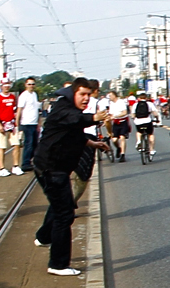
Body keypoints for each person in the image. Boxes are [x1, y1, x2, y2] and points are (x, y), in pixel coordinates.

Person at [32, 78, 111, 276]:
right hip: (52, 169)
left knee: (59, 205)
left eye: (88, 95)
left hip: (54, 168)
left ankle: (43, 237)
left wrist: (92, 144)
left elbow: (74, 134)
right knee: (64, 214)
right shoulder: (63, 108)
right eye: (82, 94)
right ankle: (58, 264)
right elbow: (75, 120)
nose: (86, 98)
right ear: (73, 93)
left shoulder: (70, 109)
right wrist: (94, 117)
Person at [0, 79, 21, 176]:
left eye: (8, 84)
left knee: (16, 145)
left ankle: (16, 166)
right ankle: (1, 168)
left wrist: (16, 122)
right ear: (1, 86)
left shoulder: (12, 97)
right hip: (2, 125)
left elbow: (14, 111)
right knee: (2, 147)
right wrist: (0, 125)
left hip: (12, 124)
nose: (6, 86)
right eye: (4, 85)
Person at [17, 77, 40, 169]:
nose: (31, 86)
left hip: (34, 123)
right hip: (26, 123)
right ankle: (25, 163)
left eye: (33, 84)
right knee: (28, 144)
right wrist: (17, 123)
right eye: (29, 84)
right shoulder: (23, 96)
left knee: (35, 144)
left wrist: (39, 123)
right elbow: (19, 110)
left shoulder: (34, 94)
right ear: (25, 85)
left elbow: (36, 110)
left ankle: (31, 160)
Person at [132, 91, 159, 156]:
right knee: (150, 134)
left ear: (139, 98)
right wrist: (157, 119)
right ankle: (151, 150)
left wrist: (135, 118)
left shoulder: (135, 104)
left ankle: (139, 141)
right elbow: (155, 113)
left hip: (138, 122)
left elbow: (132, 115)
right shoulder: (149, 104)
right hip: (147, 121)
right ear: (146, 98)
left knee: (139, 132)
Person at [106, 90, 130, 162]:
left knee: (122, 138)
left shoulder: (121, 102)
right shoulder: (111, 103)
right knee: (114, 140)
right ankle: (119, 148)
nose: (109, 97)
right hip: (115, 123)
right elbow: (110, 114)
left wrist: (116, 116)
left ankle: (123, 155)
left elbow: (124, 112)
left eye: (110, 96)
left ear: (114, 95)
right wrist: (108, 119)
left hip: (123, 121)